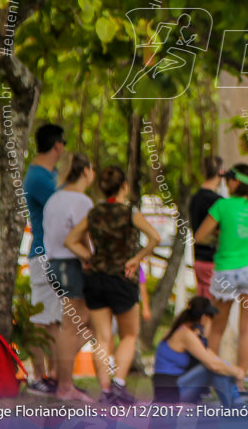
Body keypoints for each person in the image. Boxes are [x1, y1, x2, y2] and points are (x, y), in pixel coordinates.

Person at [64, 166, 161, 406]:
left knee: (102, 338)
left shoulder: (94, 213)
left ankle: (105, 391)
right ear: (124, 187)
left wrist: (88, 257)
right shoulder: (129, 212)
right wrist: (137, 259)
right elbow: (155, 238)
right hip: (122, 279)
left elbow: (70, 241)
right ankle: (118, 384)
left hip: (95, 279)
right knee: (129, 334)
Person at [194, 163, 248, 393]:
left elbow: (199, 236)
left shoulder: (222, 205)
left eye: (229, 180)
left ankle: (211, 380)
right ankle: (240, 381)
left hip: (226, 269)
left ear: (236, 182)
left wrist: (220, 236)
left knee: (217, 327)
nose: (226, 184)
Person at [41, 152, 96, 403]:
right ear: (86, 171)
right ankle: (63, 384)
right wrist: (92, 259)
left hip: (54, 264)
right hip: (71, 265)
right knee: (74, 327)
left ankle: (60, 376)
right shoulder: (81, 201)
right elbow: (81, 238)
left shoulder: (55, 199)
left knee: (84, 325)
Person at [23, 124, 66, 395]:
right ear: (58, 145)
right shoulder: (38, 178)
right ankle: (39, 376)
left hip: (54, 255)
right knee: (41, 320)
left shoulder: (50, 174)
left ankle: (53, 376)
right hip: (42, 256)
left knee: (53, 321)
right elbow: (65, 205)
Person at [152, 296, 248, 407]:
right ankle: (235, 405)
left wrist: (235, 369)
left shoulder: (184, 331)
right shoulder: (185, 334)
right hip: (170, 391)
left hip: (174, 387)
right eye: (210, 318)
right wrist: (237, 373)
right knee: (211, 369)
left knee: (221, 366)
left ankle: (235, 403)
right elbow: (213, 365)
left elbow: (212, 356)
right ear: (203, 317)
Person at [189, 156, 223, 299]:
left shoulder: (195, 198)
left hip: (198, 259)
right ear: (220, 172)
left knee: (202, 304)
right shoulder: (218, 202)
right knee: (211, 307)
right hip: (212, 260)